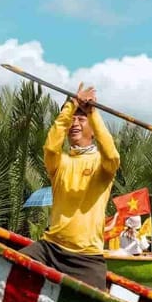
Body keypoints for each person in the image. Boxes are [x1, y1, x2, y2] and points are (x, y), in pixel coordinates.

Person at [19, 83, 120, 289]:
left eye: (81, 119)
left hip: (86, 257)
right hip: (50, 248)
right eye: (72, 119)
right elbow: (50, 145)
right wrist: (71, 105)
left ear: (92, 127)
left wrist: (92, 111)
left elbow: (111, 153)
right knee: (12, 266)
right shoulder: (60, 162)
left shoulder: (103, 164)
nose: (75, 122)